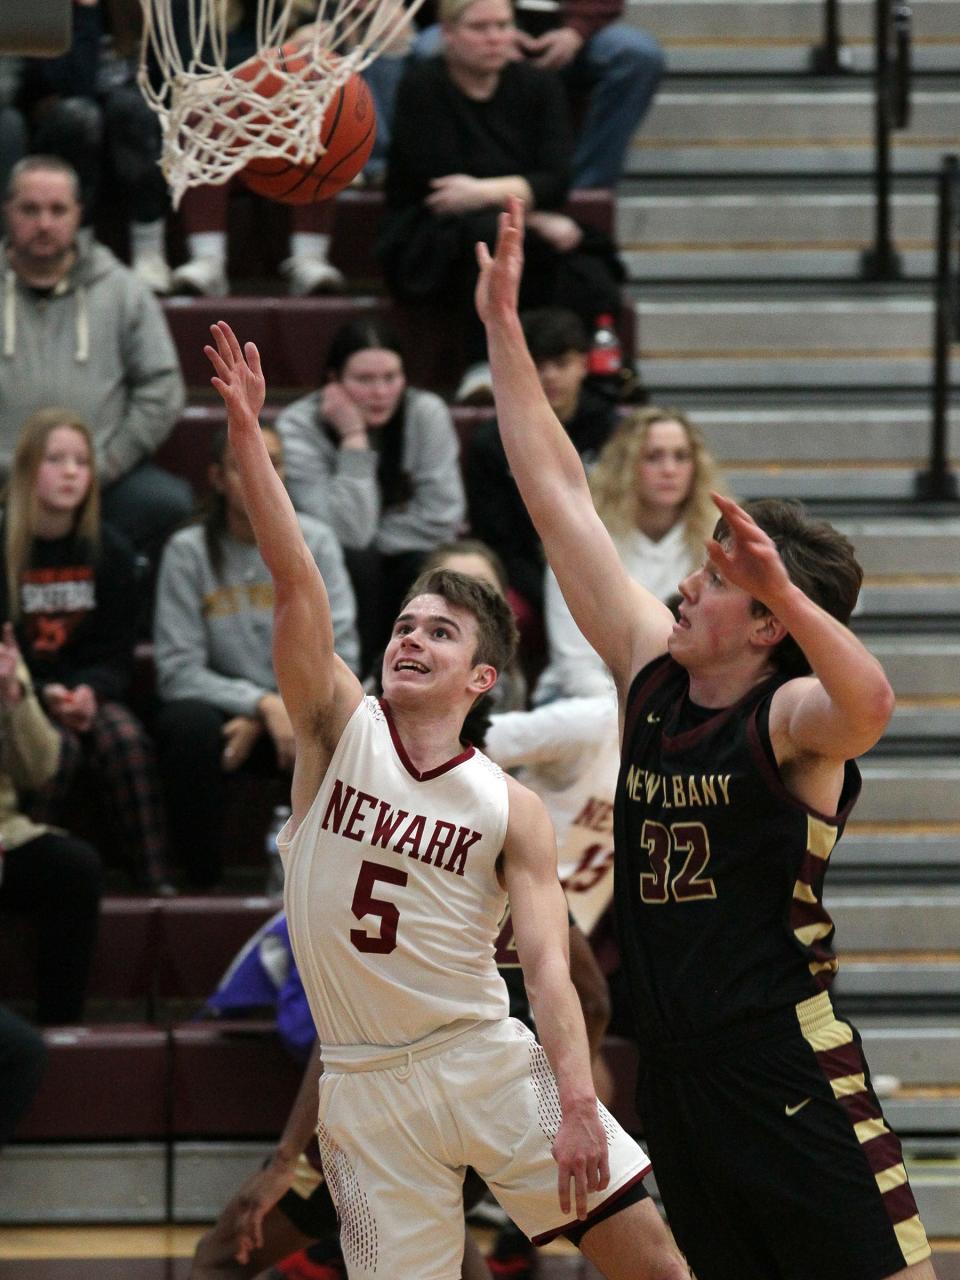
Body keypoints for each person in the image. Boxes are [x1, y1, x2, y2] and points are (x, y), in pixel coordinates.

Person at [476, 198, 937, 1280]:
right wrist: (502, 330)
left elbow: (871, 705)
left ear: (768, 621)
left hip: (786, 1061)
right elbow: (557, 500)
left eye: (715, 578)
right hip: (678, 1070)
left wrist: (777, 579)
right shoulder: (651, 672)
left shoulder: (790, 716)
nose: (682, 583)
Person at [202, 319, 687, 1280]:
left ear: (482, 679)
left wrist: (580, 1100)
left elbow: (549, 968)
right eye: (405, 625)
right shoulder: (340, 729)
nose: (412, 640)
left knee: (654, 1263)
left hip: (488, 1060)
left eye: (441, 634)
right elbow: (295, 578)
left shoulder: (511, 805)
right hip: (362, 1085)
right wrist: (249, 438)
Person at [378, 0, 624, 393]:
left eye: (503, 25)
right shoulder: (423, 85)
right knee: (490, 238)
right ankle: (483, 366)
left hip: (512, 221)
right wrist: (525, 205)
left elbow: (556, 179)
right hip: (430, 235)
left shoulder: (538, 85)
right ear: (448, 34)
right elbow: (443, 187)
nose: (495, 37)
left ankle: (598, 375)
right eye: (480, 28)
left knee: (588, 257)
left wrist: (484, 191)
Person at [153, 422, 359, 889]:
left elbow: (341, 655)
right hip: (227, 720)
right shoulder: (188, 552)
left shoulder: (318, 542)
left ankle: (334, 887)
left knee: (355, 719)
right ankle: (201, 887)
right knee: (185, 727)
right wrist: (259, 706)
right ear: (217, 477)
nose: (262, 474)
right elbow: (176, 671)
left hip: (305, 711)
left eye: (273, 462)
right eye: (243, 464)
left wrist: (281, 709)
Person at [0, 407, 171, 893]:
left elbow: (116, 654)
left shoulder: (111, 552)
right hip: (20, 696)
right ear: (29, 469)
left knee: (126, 742)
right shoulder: (4, 548)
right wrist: (46, 692)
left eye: (82, 461)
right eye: (57, 459)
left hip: (87, 692)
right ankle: (22, 867)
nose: (73, 471)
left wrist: (90, 693)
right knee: (60, 752)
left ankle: (154, 881)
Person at [0, 155, 190, 559]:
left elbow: (163, 388)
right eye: (30, 210)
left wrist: (107, 463)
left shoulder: (123, 290)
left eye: (57, 210)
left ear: (78, 216)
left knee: (168, 503)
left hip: (100, 480)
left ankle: (122, 617)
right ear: (7, 213)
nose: (44, 224)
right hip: (2, 481)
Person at [275, 318, 465, 676]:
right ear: (334, 381)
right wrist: (353, 436)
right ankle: (352, 682)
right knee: (355, 562)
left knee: (429, 564)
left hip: (405, 557)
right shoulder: (298, 426)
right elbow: (348, 535)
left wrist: (375, 541)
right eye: (365, 380)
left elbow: (442, 517)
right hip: (336, 567)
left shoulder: (426, 413)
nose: (380, 392)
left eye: (391, 377)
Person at [535, 405, 723, 704]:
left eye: (681, 457)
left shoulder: (717, 546)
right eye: (653, 457)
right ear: (626, 466)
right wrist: (638, 712)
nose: (669, 470)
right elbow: (575, 666)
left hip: (686, 699)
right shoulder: (583, 543)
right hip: (586, 699)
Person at [464, 306, 617, 617]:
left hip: (604, 565)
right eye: (537, 366)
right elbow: (496, 541)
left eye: (561, 364)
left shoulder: (612, 430)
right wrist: (554, 596)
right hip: (522, 573)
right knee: (498, 610)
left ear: (584, 365)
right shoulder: (491, 442)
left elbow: (622, 517)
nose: (549, 377)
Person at [414, 0, 664, 190]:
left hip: (576, 30)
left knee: (637, 54)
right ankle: (441, 182)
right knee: (428, 47)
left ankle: (586, 191)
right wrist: (498, 30)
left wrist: (577, 30)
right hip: (486, 17)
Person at [0, 619, 102, 1024]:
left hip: (5, 832)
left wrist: (14, 696)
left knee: (74, 869)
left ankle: (59, 1031)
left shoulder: (4, 653)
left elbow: (42, 769)